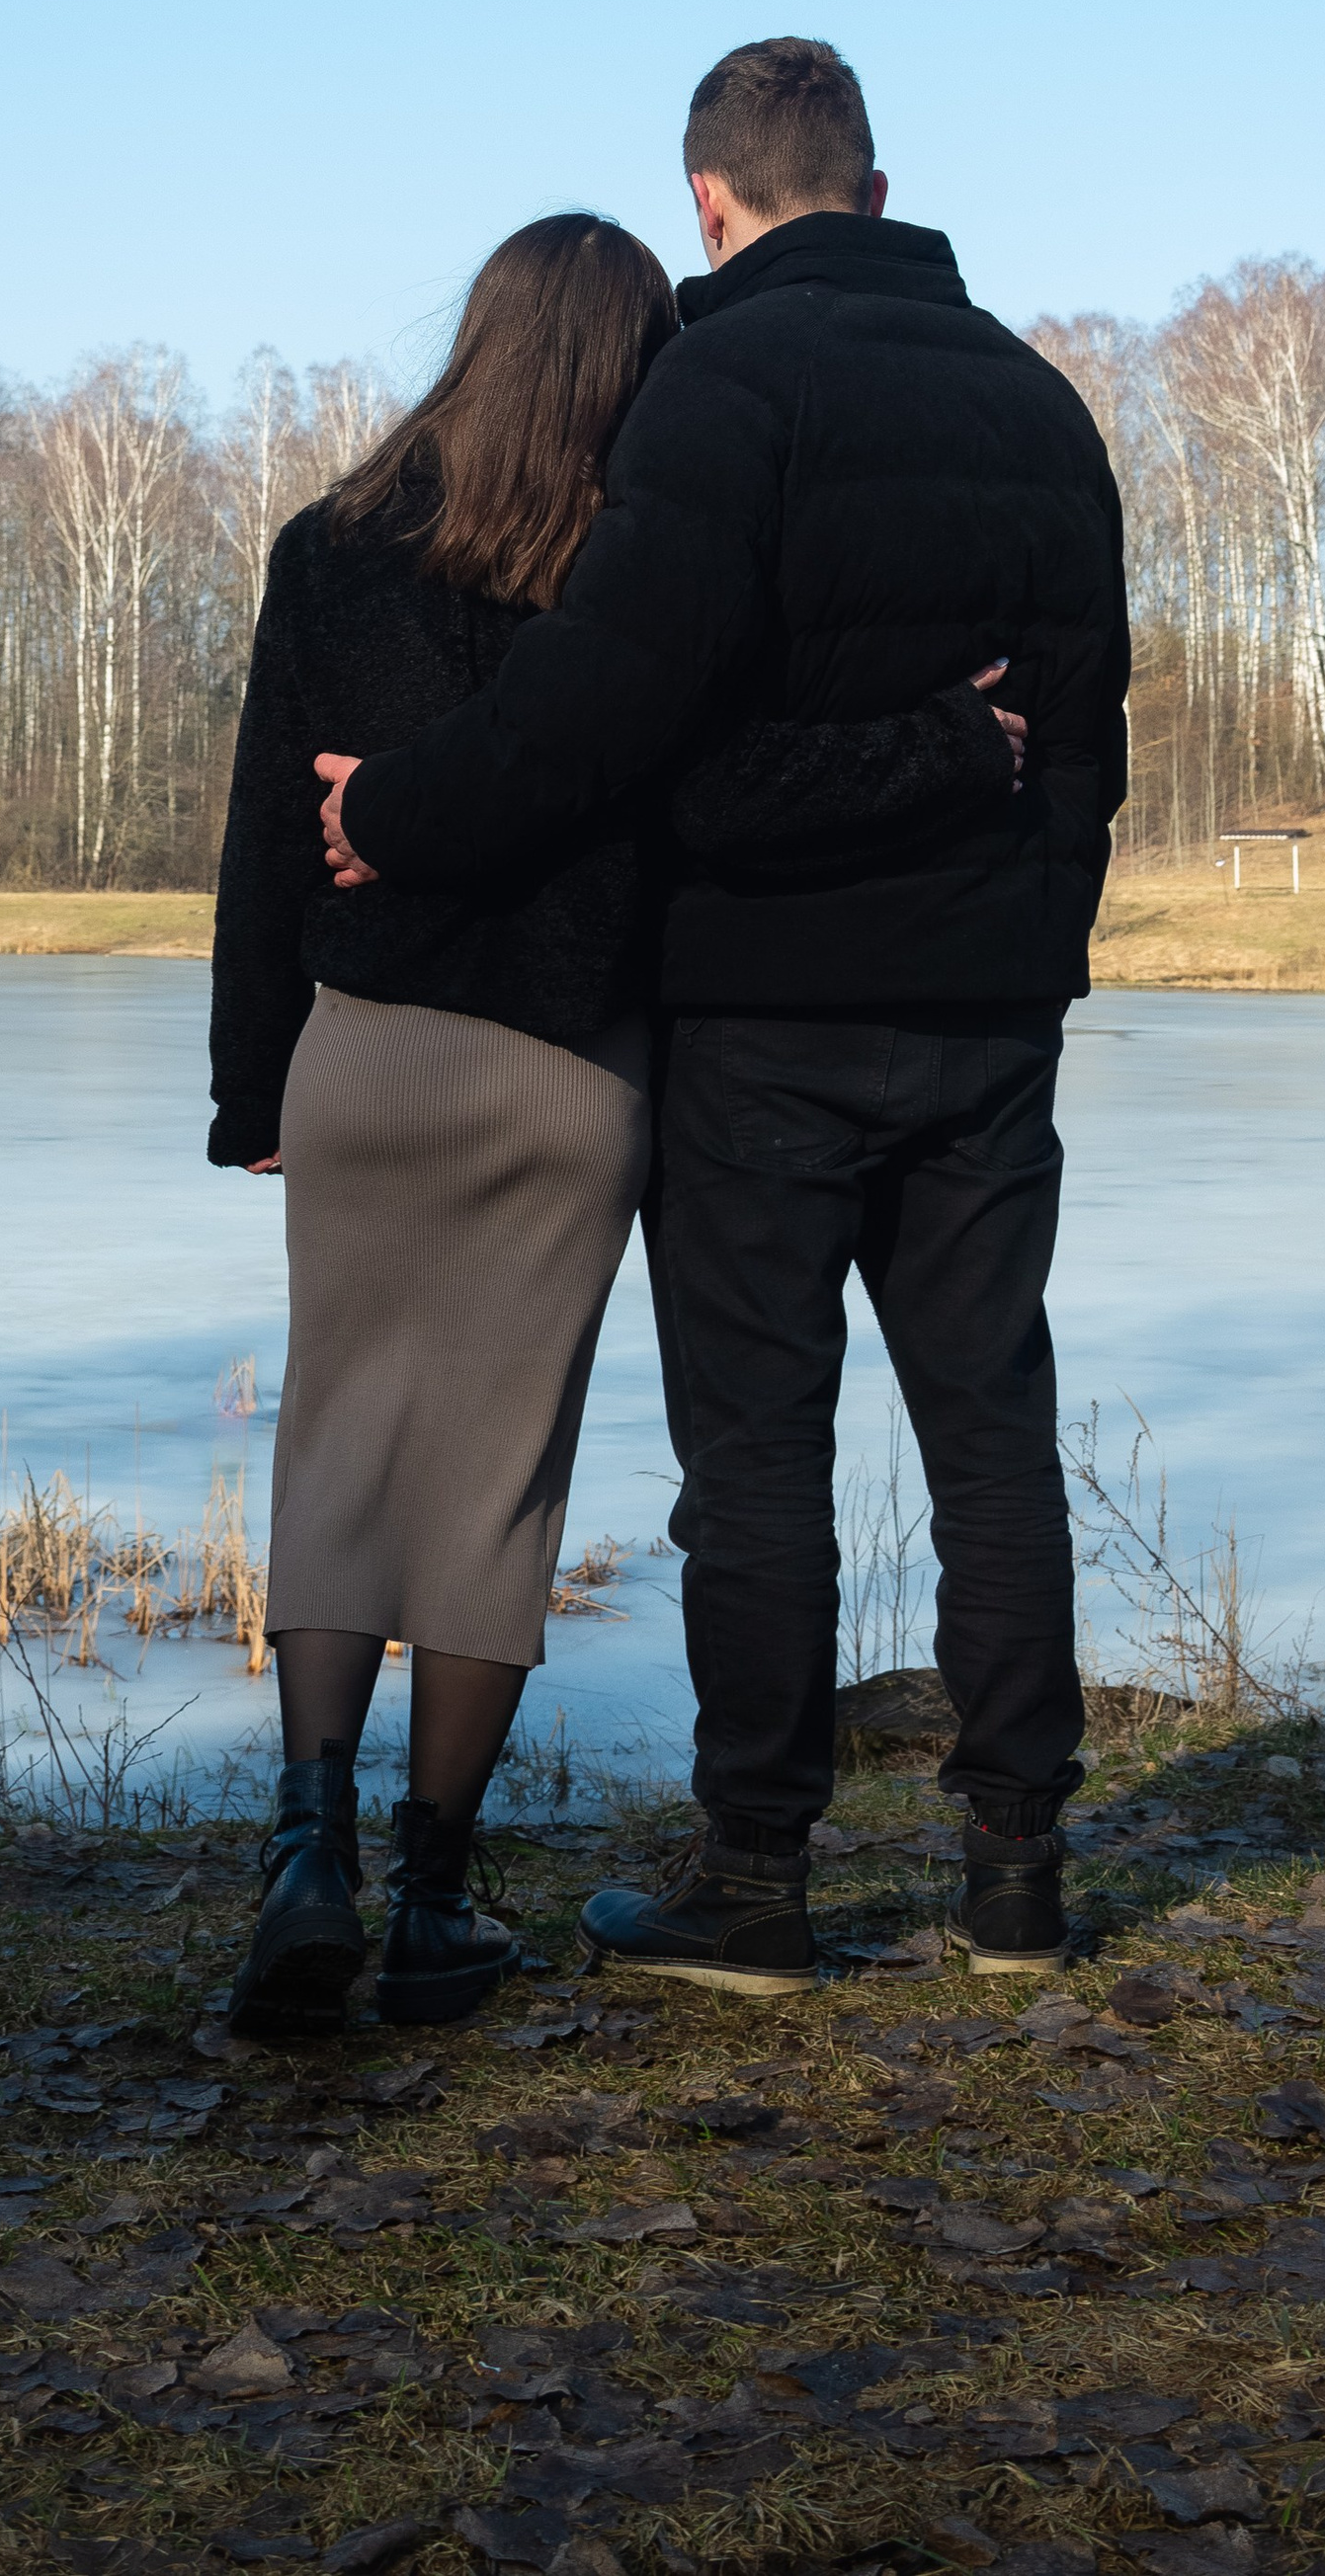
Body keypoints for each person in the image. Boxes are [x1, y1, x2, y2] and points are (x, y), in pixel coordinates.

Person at [320, 40, 1131, 1991]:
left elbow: (604, 715)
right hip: (989, 1019)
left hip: (764, 1012)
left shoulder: (720, 387)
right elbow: (1082, 751)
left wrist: (387, 816)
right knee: (989, 1427)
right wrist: (1022, 931)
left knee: (756, 1451)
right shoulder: (1038, 405)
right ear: (868, 181)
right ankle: (1015, 1877)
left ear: (707, 201)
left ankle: (754, 1886)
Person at [207, 207, 1027, 2032]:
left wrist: (247, 1084)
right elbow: (725, 794)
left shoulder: (327, 551)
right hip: (571, 1075)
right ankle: (429, 1903)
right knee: (494, 1478)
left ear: (477, 336)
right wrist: (952, 746)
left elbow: (269, 837)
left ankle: (305, 1856)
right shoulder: (638, 567)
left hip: (360, 1054)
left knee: (339, 1447)